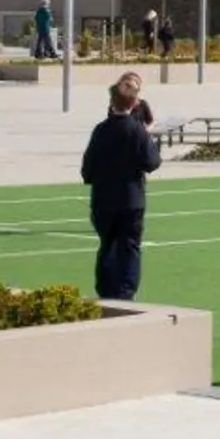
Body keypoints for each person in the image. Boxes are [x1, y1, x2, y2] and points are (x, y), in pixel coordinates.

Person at [81, 78, 161, 301]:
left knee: (107, 244)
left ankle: (105, 289)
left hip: (103, 198)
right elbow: (152, 162)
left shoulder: (101, 130)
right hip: (130, 199)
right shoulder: (137, 131)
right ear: (134, 104)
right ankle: (126, 291)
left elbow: (87, 168)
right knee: (129, 246)